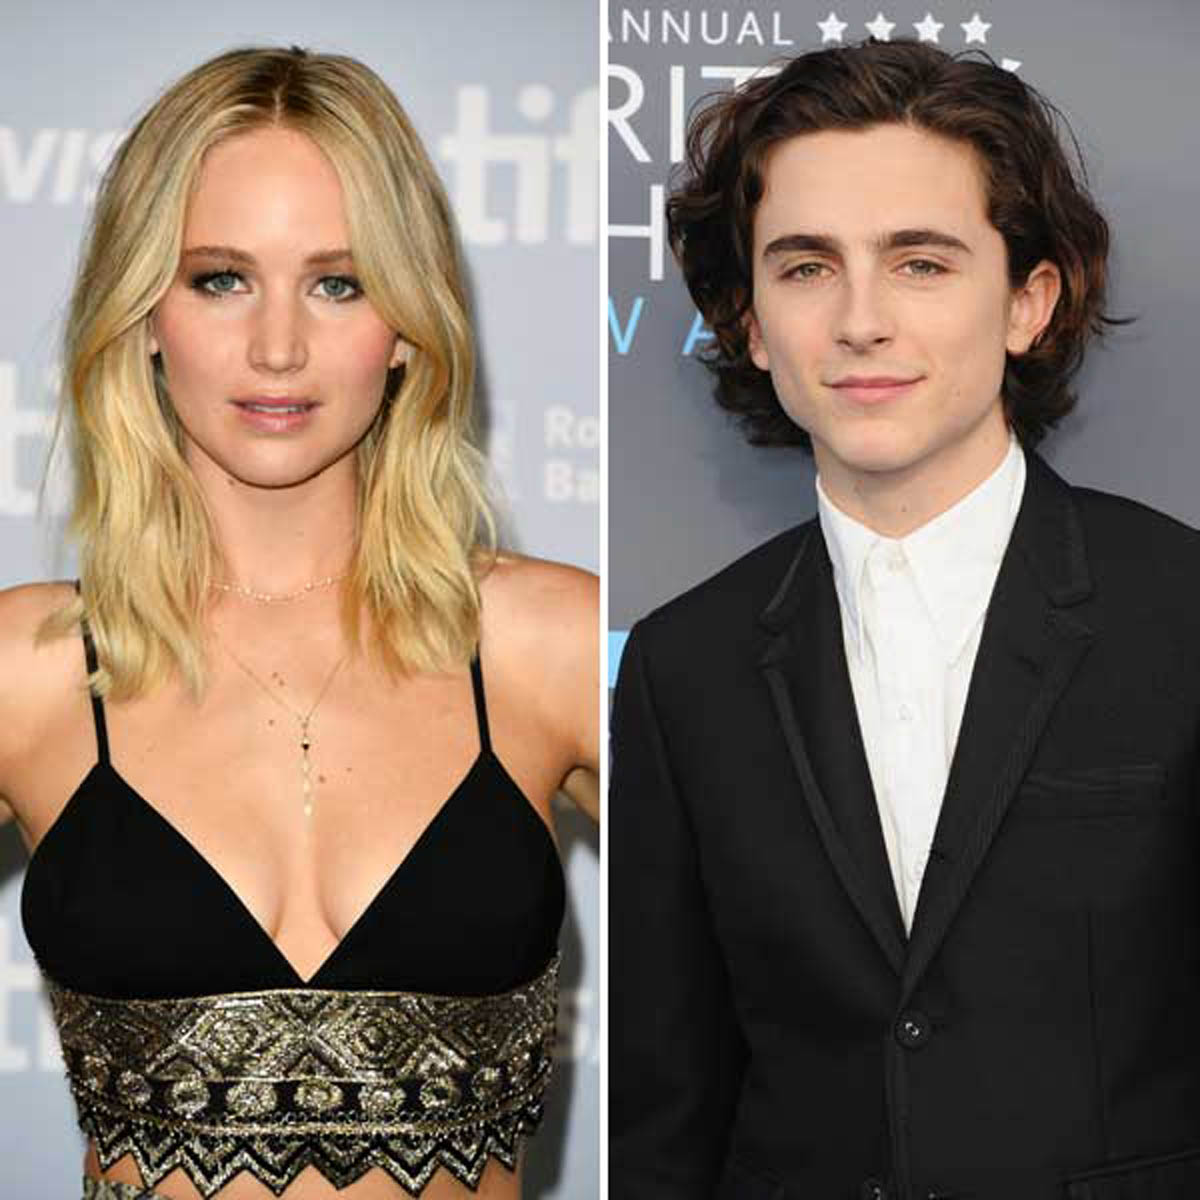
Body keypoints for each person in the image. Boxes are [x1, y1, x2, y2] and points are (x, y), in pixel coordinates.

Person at [0, 45, 597, 1200]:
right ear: (145, 313)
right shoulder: (30, 672)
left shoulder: (550, 645)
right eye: (221, 279)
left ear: (409, 325)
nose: (278, 348)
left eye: (339, 284)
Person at [610, 38, 1200, 1200]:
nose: (861, 320)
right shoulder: (686, 667)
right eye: (806, 266)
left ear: (1028, 302)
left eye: (920, 263)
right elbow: (666, 1112)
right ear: (750, 323)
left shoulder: (1181, 610)